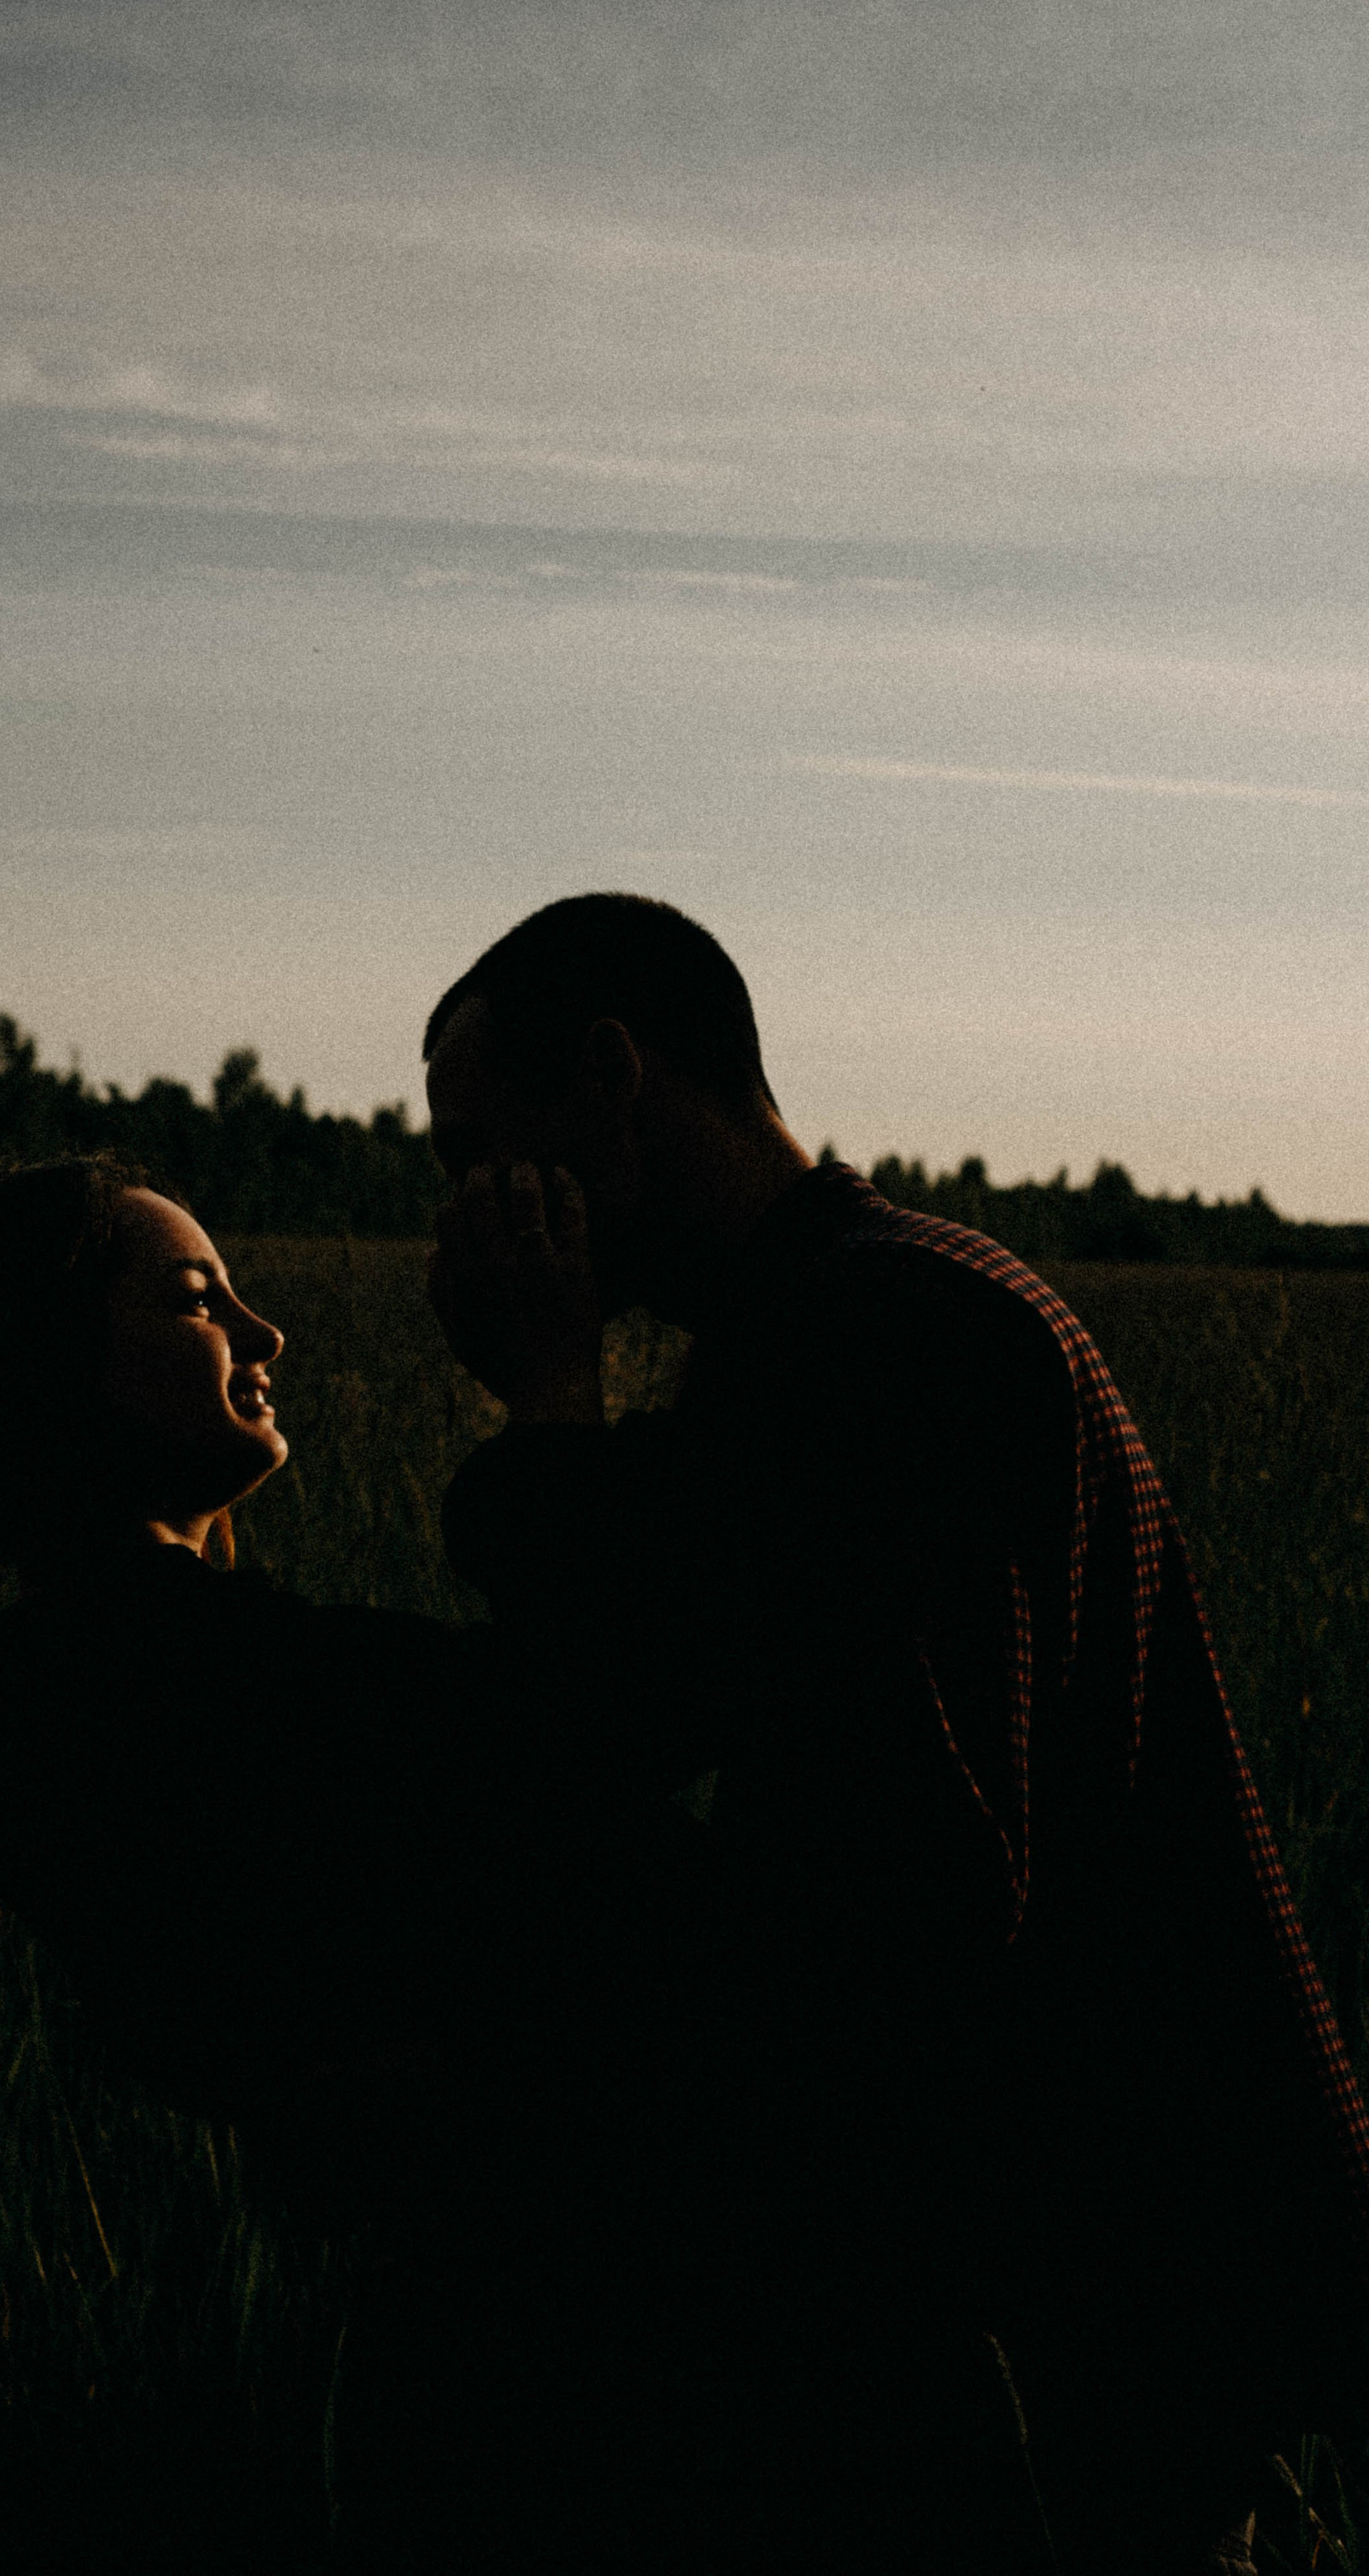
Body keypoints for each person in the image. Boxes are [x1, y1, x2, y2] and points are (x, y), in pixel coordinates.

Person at [422, 892, 1369, 2576]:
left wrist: (550, 1413)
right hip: (1109, 2236)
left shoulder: (883, 1332)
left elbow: (865, 1847)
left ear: (611, 1076)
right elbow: (704, 1672)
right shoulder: (845, 1319)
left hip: (1083, 2257)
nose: (470, 1214)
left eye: (484, 1152)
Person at [0, 1152, 720, 2571]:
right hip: (567, 2368)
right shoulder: (176, 1690)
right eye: (197, 1303)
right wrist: (555, 1398)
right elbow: (601, 1720)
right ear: (50, 1367)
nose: (265, 1337)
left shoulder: (80, 1692)